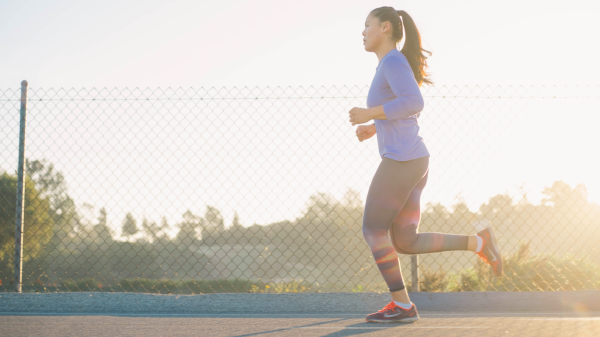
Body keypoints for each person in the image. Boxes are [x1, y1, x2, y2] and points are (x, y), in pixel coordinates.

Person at [349, 6, 502, 323]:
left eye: (367, 25)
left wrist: (370, 113)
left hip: (404, 161)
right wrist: (375, 127)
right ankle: (480, 242)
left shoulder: (392, 61)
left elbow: (414, 102)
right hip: (414, 160)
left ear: (386, 28)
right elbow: (405, 110)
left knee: (373, 229)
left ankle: (403, 306)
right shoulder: (389, 64)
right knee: (405, 240)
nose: (362, 32)